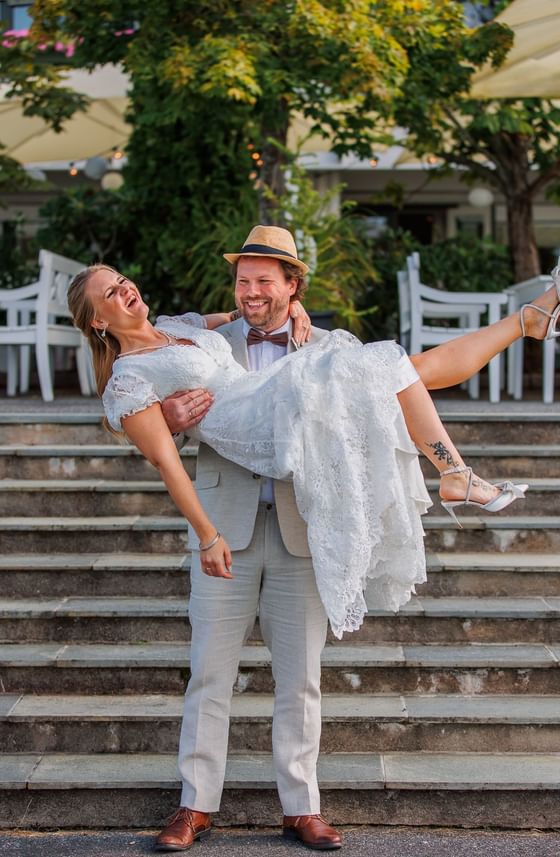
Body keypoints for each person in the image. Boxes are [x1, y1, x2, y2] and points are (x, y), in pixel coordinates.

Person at [67, 226, 559, 852]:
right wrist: (194, 500)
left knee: (301, 679)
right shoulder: (150, 368)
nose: (251, 293)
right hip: (232, 512)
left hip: (300, 515)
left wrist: (291, 321)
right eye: (244, 281)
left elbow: (225, 320)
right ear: (97, 320)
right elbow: (161, 458)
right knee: (208, 676)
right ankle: (194, 805)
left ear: (291, 287)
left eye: (265, 282)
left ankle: (301, 807)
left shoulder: (213, 329)